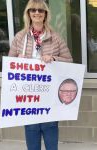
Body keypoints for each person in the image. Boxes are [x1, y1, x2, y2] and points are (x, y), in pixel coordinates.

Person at [8, 0, 73, 150]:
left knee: (50, 134)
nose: (37, 13)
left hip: (49, 96)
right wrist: (17, 60)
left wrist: (54, 58)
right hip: (28, 96)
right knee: (31, 134)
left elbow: (69, 61)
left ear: (45, 14)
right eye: (33, 10)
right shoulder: (20, 37)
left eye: (41, 10)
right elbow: (9, 65)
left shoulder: (55, 37)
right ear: (28, 13)